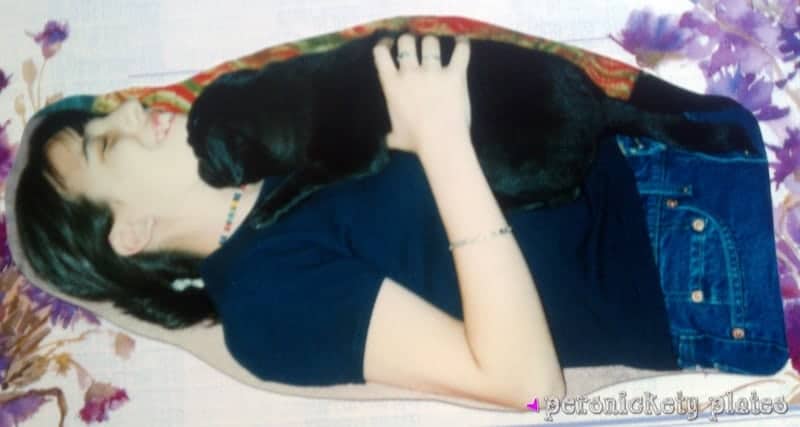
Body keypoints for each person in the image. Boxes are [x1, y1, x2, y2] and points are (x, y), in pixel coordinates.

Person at [11, 28, 770, 410]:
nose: (134, 110)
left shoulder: (270, 138)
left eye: (111, 111)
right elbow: (529, 386)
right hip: (697, 260)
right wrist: (441, 140)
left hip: (699, 146)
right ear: (127, 233)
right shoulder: (262, 302)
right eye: (105, 142)